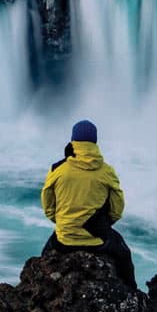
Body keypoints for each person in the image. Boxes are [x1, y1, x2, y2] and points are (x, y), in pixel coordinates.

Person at [41, 119, 137, 290]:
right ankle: (132, 291)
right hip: (97, 241)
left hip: (65, 240)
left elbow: (47, 203)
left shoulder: (57, 169)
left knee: (44, 257)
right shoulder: (107, 171)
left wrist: (63, 220)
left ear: (73, 141)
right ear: (95, 142)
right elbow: (118, 207)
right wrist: (105, 224)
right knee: (124, 254)